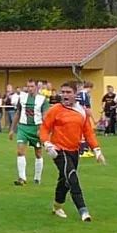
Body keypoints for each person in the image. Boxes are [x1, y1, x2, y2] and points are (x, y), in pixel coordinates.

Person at [39, 81, 105, 221]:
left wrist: (97, 150)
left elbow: (88, 133)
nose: (65, 95)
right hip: (59, 151)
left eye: (68, 92)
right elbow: (44, 129)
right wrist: (47, 144)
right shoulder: (55, 110)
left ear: (76, 94)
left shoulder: (81, 111)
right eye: (63, 92)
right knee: (72, 178)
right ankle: (83, 211)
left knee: (65, 180)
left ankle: (57, 206)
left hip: (74, 151)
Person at [9, 79, 49, 186]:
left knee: (38, 153)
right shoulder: (22, 98)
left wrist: (43, 130)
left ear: (36, 87)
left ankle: (37, 177)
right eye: (28, 87)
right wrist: (12, 129)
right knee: (20, 151)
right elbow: (17, 113)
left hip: (36, 128)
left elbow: (45, 116)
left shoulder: (43, 100)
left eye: (32, 86)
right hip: (23, 127)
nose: (30, 89)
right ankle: (22, 178)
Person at [76, 81, 94, 158]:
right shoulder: (84, 94)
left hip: (80, 115)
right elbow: (85, 107)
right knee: (84, 132)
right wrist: (92, 117)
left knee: (87, 131)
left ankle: (86, 149)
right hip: (82, 115)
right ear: (90, 87)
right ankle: (82, 151)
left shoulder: (80, 93)